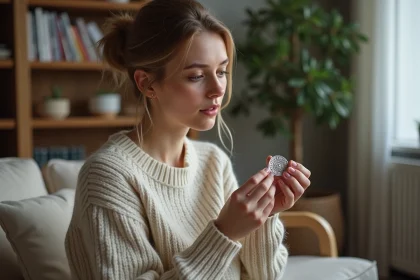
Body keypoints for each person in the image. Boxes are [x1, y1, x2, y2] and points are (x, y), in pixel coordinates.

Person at [64, 0, 311, 279]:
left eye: (222, 71)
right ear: (146, 83)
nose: (218, 89)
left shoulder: (212, 161)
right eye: (196, 76)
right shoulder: (108, 175)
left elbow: (264, 276)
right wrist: (224, 232)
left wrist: (264, 217)